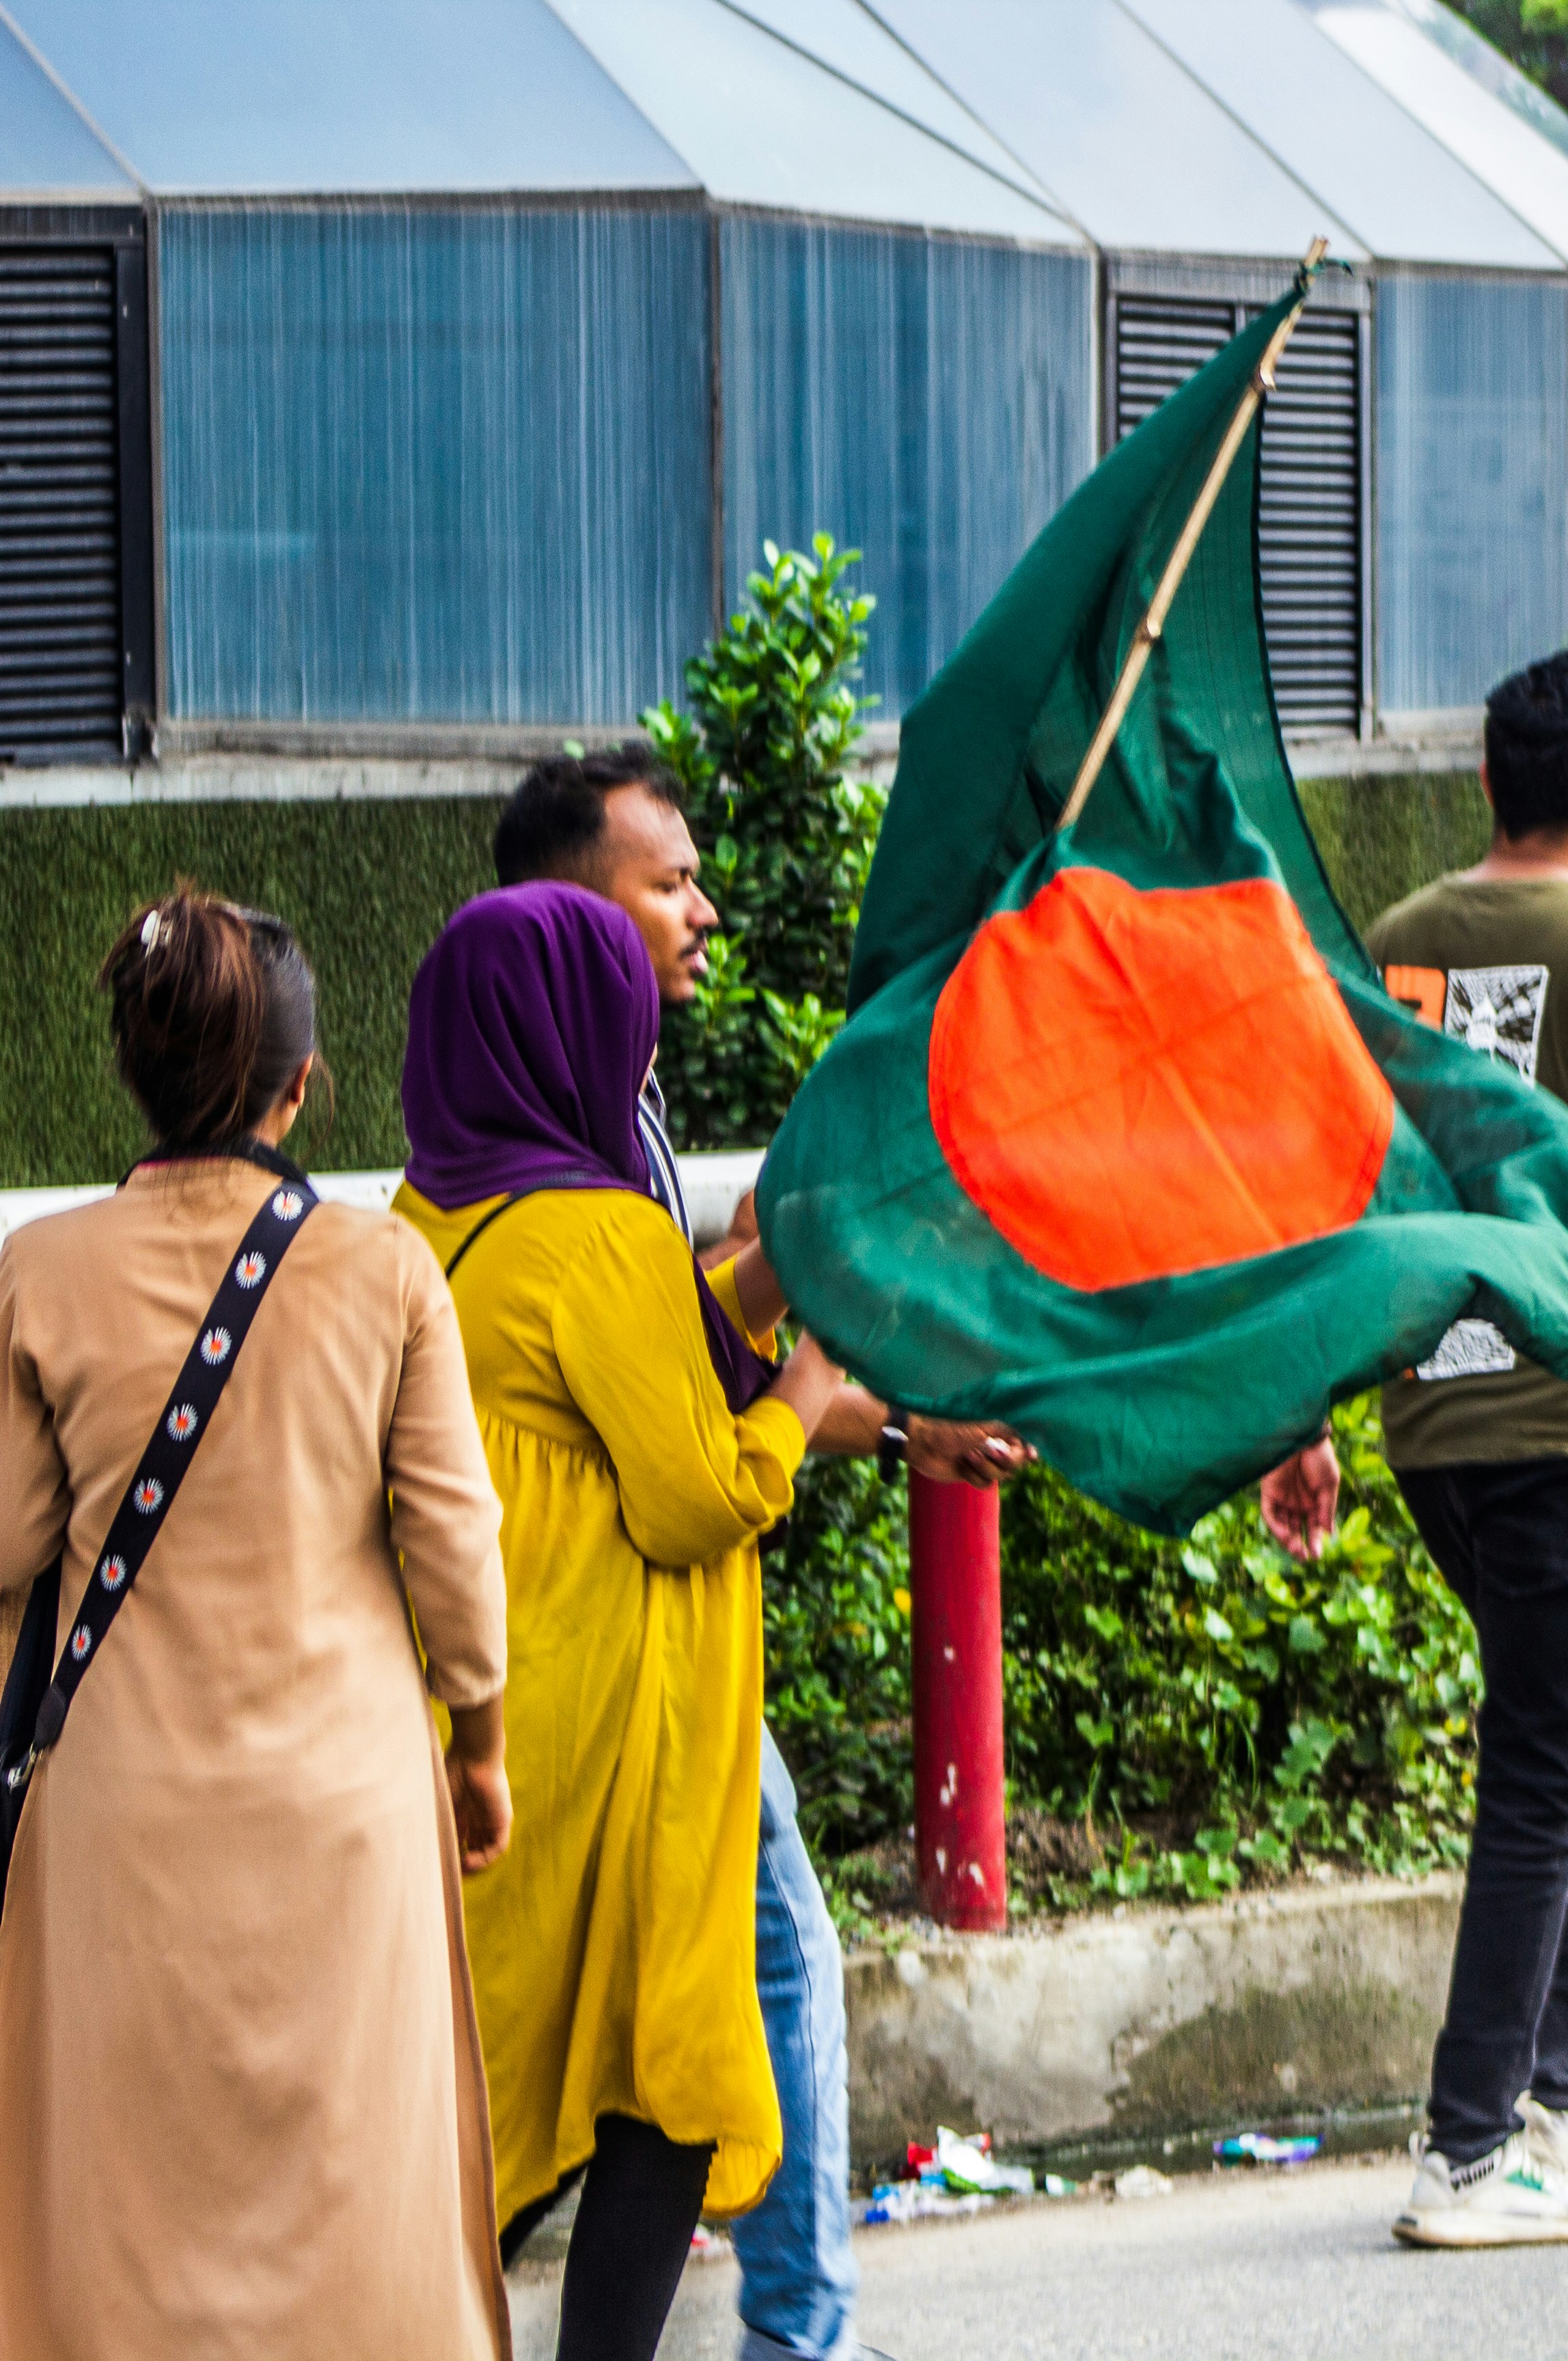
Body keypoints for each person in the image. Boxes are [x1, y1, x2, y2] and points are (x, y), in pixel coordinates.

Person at [495, 745, 1023, 2361]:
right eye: (669, 883)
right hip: (631, 1644)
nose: (707, 912)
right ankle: (797, 2335)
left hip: (628, 1649)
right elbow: (685, 1479)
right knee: (752, 1981)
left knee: (675, 2014)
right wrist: (802, 1394)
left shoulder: (594, 1104)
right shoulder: (564, 1162)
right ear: (565, 914)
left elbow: (666, 1370)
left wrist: (854, 1388)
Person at [1257, 647, 1568, 2248]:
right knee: (1548, 1773)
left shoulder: (1395, 944)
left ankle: (1553, 2097)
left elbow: (1343, 1194)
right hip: (1564, 1407)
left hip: (1433, 1415)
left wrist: (1304, 1415)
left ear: (1486, 781)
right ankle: (1469, 2150)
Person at [0, 892, 513, 2357]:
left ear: (132, 1072)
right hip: (341, 1802)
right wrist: (481, 1749)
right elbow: (457, 1560)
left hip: (118, 1809)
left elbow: (8, 1539)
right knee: (356, 2186)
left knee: (119, 2192)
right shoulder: (383, 1270)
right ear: (304, 1082)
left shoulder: (42, 1269)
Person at [397, 883, 848, 2361]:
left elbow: (617, 1368)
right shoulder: (601, 1229)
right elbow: (691, 1494)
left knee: (493, 2067)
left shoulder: (421, 1220)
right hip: (622, 1724)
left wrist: (754, 1286)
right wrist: (800, 1403)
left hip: (490, 1701)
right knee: (656, 2071)